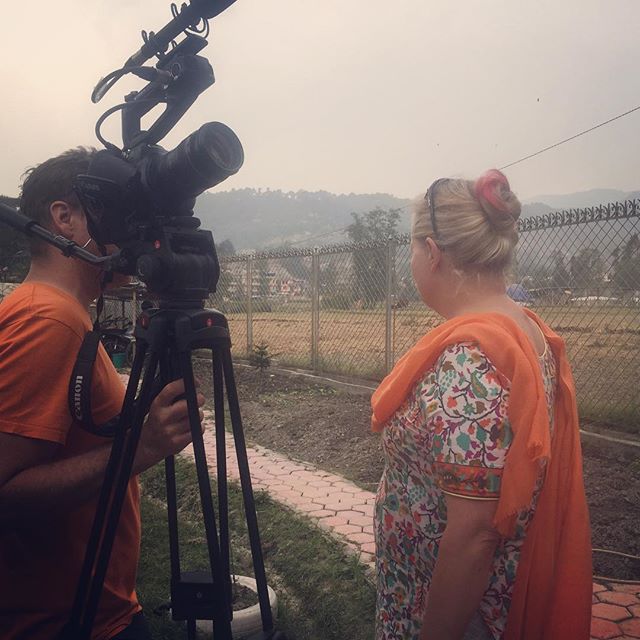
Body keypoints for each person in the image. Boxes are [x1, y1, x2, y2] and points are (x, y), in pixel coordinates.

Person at [371, 170, 592, 640]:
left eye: (413, 249)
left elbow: (474, 538)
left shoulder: (469, 361)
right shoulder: (520, 325)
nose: (412, 261)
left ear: (432, 254)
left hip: (455, 611)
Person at [0, 147, 205, 639]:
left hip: (91, 612)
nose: (131, 233)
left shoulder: (58, 312)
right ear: (64, 218)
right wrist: (141, 447)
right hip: (68, 624)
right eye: (117, 213)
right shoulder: (48, 319)